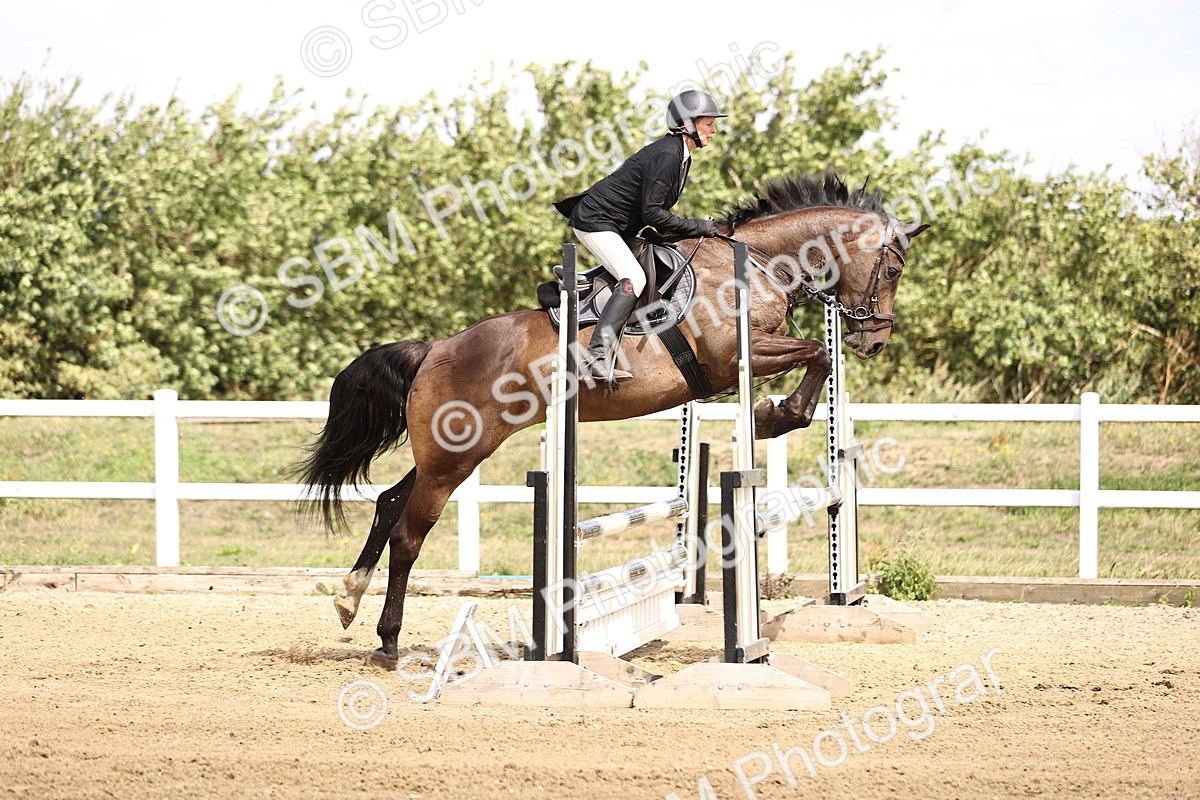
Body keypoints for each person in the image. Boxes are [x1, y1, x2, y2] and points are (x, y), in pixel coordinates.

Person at [554, 89, 725, 385]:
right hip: (595, 220)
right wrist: (700, 226)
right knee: (635, 277)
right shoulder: (669, 155)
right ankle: (596, 355)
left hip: (617, 225)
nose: (714, 130)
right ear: (688, 124)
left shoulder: (681, 157)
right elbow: (653, 214)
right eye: (709, 123)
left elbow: (654, 215)